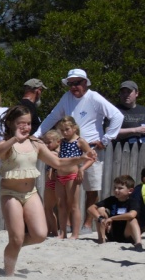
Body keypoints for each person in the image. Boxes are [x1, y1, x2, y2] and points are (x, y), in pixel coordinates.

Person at [0, 106, 92, 276]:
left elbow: (57, 163)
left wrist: (80, 159)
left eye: (28, 123)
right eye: (21, 123)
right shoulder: (6, 143)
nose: (25, 127)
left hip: (30, 193)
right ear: (11, 123)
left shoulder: (36, 143)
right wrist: (14, 139)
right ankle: (8, 274)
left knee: (39, 235)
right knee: (16, 238)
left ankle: (14, 245)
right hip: (10, 194)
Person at [35, 68, 123, 233]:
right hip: (69, 148)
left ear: (85, 83)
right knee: (67, 189)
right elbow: (53, 116)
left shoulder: (94, 97)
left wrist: (106, 139)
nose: (73, 86)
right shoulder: (66, 97)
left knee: (91, 188)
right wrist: (36, 135)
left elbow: (117, 116)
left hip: (91, 148)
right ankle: (68, 225)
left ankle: (87, 224)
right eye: (70, 83)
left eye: (77, 83)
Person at [52, 116, 95, 240]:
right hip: (59, 175)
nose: (65, 132)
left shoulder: (80, 141)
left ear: (74, 128)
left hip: (72, 176)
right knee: (61, 205)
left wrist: (82, 169)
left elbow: (92, 157)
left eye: (67, 129)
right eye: (62, 130)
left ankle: (75, 234)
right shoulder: (62, 141)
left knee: (73, 205)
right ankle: (63, 232)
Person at [88, 175, 142, 249]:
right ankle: (101, 239)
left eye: (120, 188)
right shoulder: (112, 199)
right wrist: (101, 219)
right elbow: (90, 208)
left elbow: (132, 215)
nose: (116, 190)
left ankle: (138, 243)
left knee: (133, 220)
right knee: (100, 210)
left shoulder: (133, 201)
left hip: (126, 235)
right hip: (112, 233)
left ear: (130, 191)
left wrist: (112, 218)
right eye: (115, 188)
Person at [40, 129, 63, 238]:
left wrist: (50, 169)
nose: (46, 145)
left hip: (53, 182)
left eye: (49, 142)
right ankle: (51, 229)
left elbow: (55, 163)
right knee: (49, 208)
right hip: (52, 182)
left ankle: (54, 231)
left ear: (58, 141)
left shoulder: (55, 153)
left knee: (49, 208)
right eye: (45, 142)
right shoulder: (58, 152)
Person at [115, 80, 145, 145]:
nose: (126, 95)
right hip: (122, 149)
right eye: (123, 92)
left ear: (136, 93)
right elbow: (109, 131)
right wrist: (135, 130)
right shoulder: (114, 111)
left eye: (129, 92)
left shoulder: (143, 110)